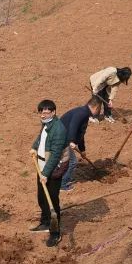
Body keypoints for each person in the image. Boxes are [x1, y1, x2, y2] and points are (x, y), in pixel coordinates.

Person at [30, 99, 67, 247]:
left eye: (47, 112)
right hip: (42, 165)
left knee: (52, 199)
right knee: (41, 197)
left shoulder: (58, 129)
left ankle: (55, 233)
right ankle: (45, 222)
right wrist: (34, 147)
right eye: (41, 112)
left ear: (54, 112)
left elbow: (56, 154)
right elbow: (41, 137)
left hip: (54, 168)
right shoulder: (46, 124)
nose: (44, 114)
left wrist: (45, 173)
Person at [59, 97, 103, 191]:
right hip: (60, 138)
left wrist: (82, 150)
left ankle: (63, 177)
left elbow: (81, 133)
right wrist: (71, 141)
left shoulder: (84, 114)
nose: (99, 112)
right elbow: (73, 126)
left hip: (63, 137)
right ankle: (62, 184)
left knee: (66, 160)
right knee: (72, 161)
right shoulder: (82, 113)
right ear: (97, 107)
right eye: (99, 109)